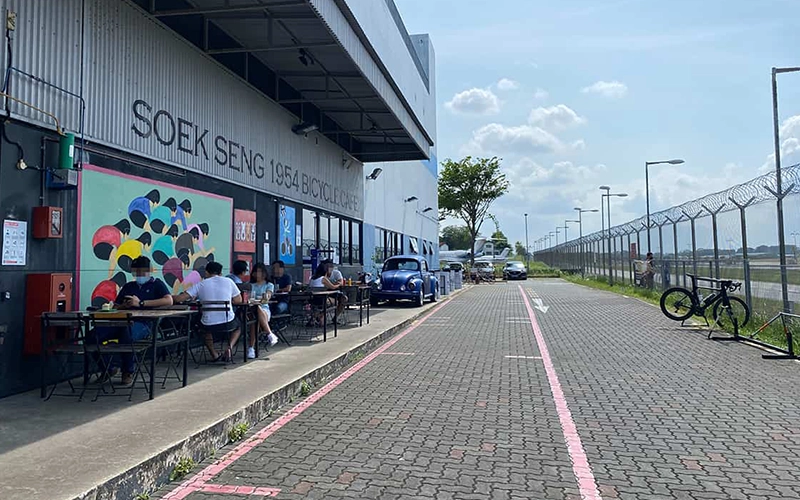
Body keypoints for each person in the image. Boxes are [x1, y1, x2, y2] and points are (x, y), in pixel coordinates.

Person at [88, 256, 173, 386]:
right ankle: (107, 368)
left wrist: (141, 303)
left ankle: (127, 371)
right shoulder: (129, 286)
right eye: (136, 272)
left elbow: (169, 300)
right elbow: (116, 306)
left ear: (149, 271)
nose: (139, 275)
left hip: (143, 323)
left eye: (142, 272)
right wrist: (124, 306)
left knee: (126, 334)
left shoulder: (157, 284)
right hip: (120, 320)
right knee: (92, 336)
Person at [174, 261, 242, 362]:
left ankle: (214, 354)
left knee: (204, 329)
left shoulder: (201, 284)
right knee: (238, 327)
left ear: (206, 272)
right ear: (220, 273)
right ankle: (230, 347)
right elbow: (238, 300)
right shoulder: (228, 281)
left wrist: (168, 297)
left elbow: (179, 299)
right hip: (228, 323)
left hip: (208, 324)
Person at [250, 263, 279, 355]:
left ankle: (251, 348)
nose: (258, 274)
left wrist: (262, 298)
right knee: (255, 320)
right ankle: (270, 334)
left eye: (260, 272)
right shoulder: (250, 285)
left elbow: (267, 297)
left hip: (264, 309)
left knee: (256, 316)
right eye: (256, 272)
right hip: (250, 311)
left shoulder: (269, 285)